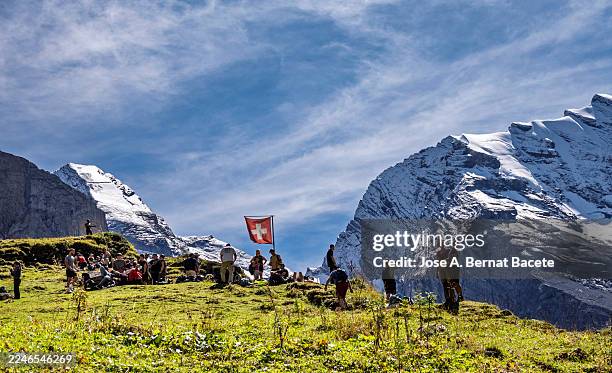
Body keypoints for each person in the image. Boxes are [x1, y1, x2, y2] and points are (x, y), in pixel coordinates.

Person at [436, 246, 463, 312]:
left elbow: (452, 259)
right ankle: (450, 300)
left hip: (452, 271)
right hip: (446, 271)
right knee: (448, 285)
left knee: (453, 284)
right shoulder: (444, 252)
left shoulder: (452, 252)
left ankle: (458, 298)